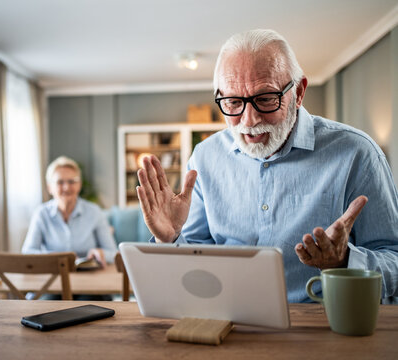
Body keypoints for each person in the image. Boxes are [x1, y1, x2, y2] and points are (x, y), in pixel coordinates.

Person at [136, 29, 398, 303]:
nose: (248, 120)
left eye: (265, 99)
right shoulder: (205, 158)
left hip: (322, 329)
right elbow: (197, 261)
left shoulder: (357, 153)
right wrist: (171, 239)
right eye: (233, 102)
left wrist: (344, 261)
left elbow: (394, 260)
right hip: (230, 323)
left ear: (298, 92)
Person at [22, 156, 117, 266]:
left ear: (79, 185)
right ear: (49, 188)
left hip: (88, 276)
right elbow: (28, 253)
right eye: (60, 182)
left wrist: (101, 253)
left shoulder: (95, 212)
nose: (66, 187)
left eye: (72, 181)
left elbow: (114, 253)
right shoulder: (41, 213)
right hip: (52, 275)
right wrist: (58, 258)